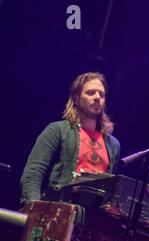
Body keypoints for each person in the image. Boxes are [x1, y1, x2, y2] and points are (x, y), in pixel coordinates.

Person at [20, 72, 121, 205]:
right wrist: (33, 208)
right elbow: (33, 173)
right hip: (61, 210)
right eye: (91, 92)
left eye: (101, 94)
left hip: (95, 218)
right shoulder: (57, 130)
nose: (97, 97)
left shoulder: (113, 145)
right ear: (76, 98)